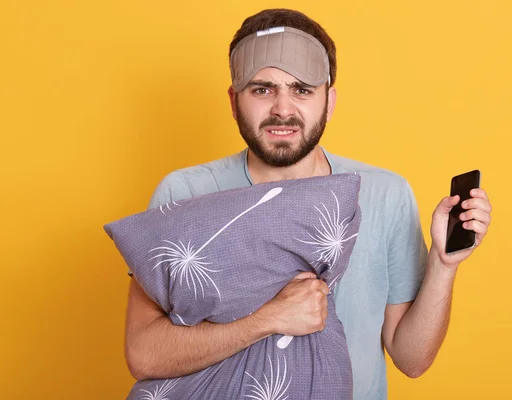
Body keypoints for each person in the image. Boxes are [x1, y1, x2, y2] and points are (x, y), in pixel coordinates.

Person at [124, 8, 492, 399]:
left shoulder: (385, 195)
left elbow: (412, 360)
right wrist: (267, 319)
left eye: (302, 89)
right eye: (262, 89)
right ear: (234, 101)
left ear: (329, 101)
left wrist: (442, 263)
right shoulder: (184, 193)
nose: (283, 109)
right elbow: (144, 355)